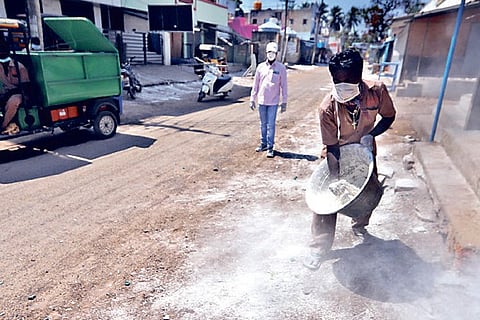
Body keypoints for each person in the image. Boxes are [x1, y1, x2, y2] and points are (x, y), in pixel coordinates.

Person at [304, 48, 396, 270]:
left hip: (365, 152)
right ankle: (319, 247)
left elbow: (389, 116)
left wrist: (370, 136)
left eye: (347, 81)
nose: (341, 86)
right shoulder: (327, 108)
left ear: (359, 76)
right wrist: (336, 180)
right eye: (336, 80)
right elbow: (332, 146)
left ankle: (360, 225)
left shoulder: (377, 92)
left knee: (368, 192)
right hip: (338, 154)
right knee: (326, 203)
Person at [249, 41, 288, 158]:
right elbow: (255, 85)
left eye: (273, 53)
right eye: (269, 52)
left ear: (276, 54)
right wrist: (252, 99)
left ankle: (270, 147)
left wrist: (284, 101)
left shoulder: (281, 68)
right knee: (263, 124)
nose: (271, 55)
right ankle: (263, 144)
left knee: (271, 125)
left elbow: (284, 86)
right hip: (262, 101)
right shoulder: (260, 67)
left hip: (273, 102)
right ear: (266, 53)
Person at [0, 41, 30, 135]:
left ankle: (3, 126)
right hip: (5, 93)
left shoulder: (19, 67)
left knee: (13, 101)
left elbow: (26, 87)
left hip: (20, 94)